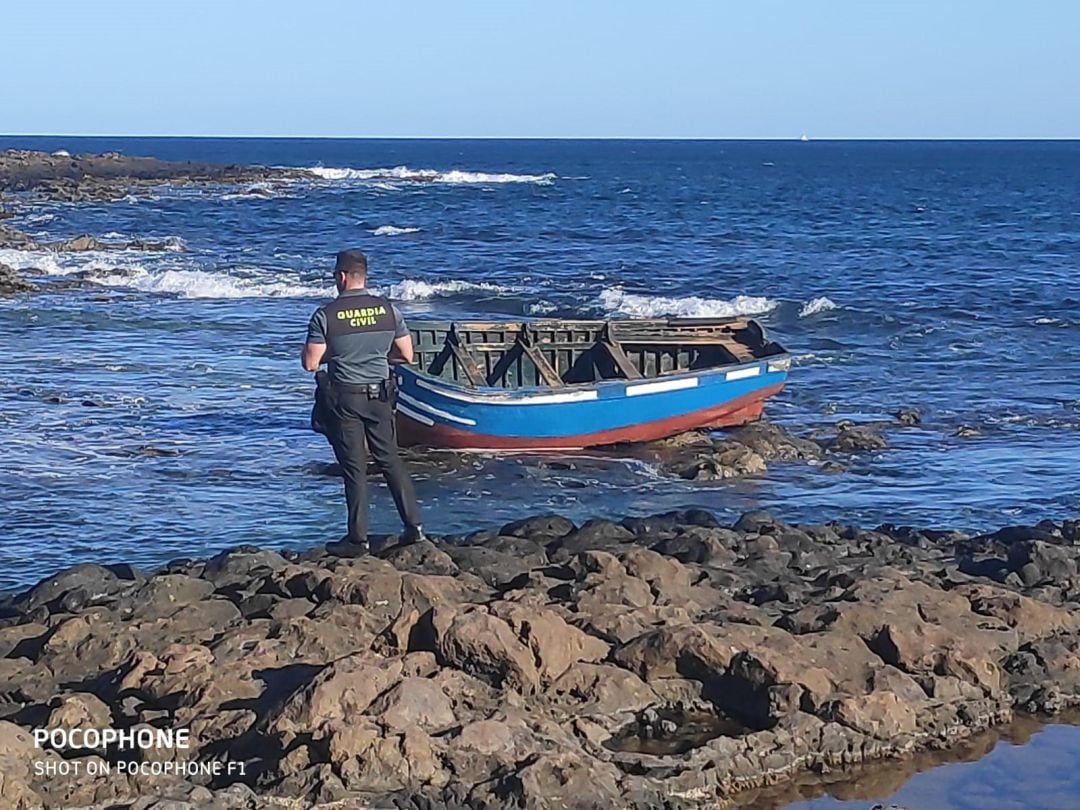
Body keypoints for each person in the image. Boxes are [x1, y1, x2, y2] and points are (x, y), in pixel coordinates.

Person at [302, 249, 424, 554]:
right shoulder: (388, 310)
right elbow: (406, 355)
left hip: (346, 396)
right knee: (390, 460)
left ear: (341, 277)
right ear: (364, 276)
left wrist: (340, 354)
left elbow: (310, 363)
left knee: (354, 467)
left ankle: (357, 539)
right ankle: (414, 528)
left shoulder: (326, 314)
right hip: (381, 394)